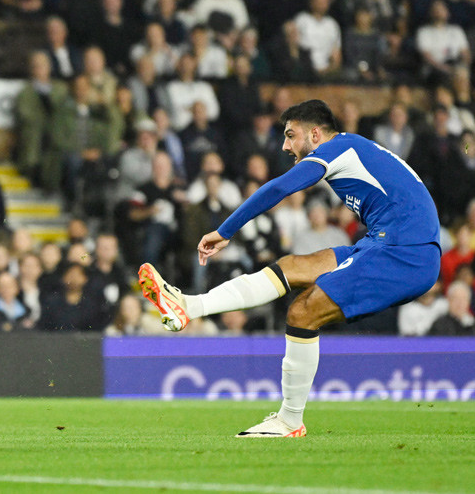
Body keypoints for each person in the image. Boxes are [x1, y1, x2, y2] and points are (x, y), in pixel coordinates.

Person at [138, 100, 440, 437]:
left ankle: (289, 420)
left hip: (405, 252)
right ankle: (190, 306)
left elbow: (280, 187)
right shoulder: (353, 148)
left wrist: (224, 230)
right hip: (385, 243)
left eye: (290, 135)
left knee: (302, 312)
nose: (284, 145)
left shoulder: (338, 149)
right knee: (293, 266)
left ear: (315, 134)